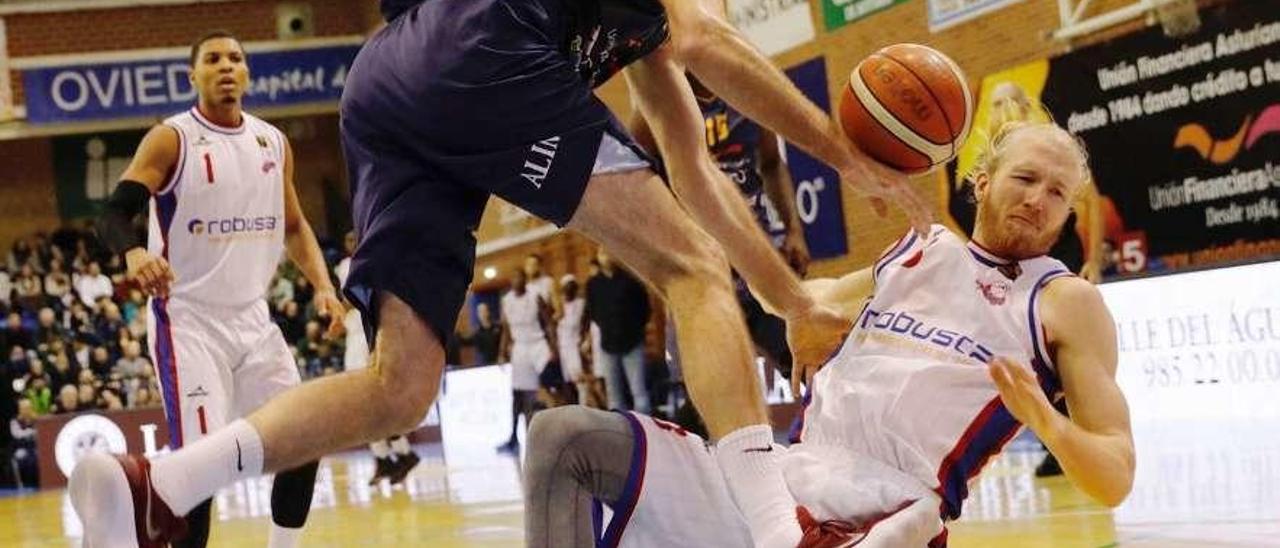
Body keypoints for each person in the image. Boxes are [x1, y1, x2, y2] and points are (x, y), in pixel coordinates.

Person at [71, 1, 931, 544]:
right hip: (480, 45)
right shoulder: (666, 16)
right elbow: (710, 37)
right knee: (694, 273)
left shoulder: (641, 43)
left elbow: (689, 164)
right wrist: (844, 156)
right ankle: (782, 533)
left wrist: (785, 301)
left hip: (385, 81)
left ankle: (159, 486)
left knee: (399, 386)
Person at [523, 119, 1136, 546]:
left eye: (1058, 193)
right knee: (563, 434)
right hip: (781, 480)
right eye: (1025, 179)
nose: (1038, 200)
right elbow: (809, 300)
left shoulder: (1064, 301)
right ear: (981, 181)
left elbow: (1116, 475)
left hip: (882, 516)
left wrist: (1046, 420)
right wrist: (799, 316)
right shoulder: (920, 252)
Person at [75, 31, 340, 548]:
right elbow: (112, 214)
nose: (225, 67)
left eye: (235, 59)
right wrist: (134, 252)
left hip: (254, 320)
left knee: (306, 438)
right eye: (212, 59)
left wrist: (325, 287)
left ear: (247, 73)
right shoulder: (171, 138)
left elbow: (294, 225)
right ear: (191, 76)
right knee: (201, 469)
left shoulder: (272, 142)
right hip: (189, 320)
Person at [335, 230, 421, 486]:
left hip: (370, 332)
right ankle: (387, 458)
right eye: (348, 240)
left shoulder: (375, 260)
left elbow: (371, 300)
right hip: (353, 331)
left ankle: (401, 454)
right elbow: (347, 298)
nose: (352, 244)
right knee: (361, 402)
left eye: (355, 239)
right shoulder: (342, 266)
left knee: (375, 400)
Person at [584, 248, 652, 414]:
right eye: (602, 254)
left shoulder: (631, 279)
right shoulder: (593, 284)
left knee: (639, 392)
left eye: (608, 253)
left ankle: (647, 432)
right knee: (614, 396)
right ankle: (620, 434)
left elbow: (644, 308)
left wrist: (635, 328)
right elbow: (592, 311)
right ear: (598, 258)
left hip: (633, 341)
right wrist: (606, 325)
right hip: (608, 343)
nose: (606, 257)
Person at [497, 269, 555, 453]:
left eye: (520, 277)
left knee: (547, 390)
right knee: (519, 396)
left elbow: (549, 323)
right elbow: (506, 329)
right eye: (514, 277)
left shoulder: (535, 296)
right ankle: (516, 438)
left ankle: (548, 435)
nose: (517, 280)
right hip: (520, 347)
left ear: (525, 280)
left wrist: (554, 349)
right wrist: (501, 351)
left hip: (539, 346)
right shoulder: (506, 301)